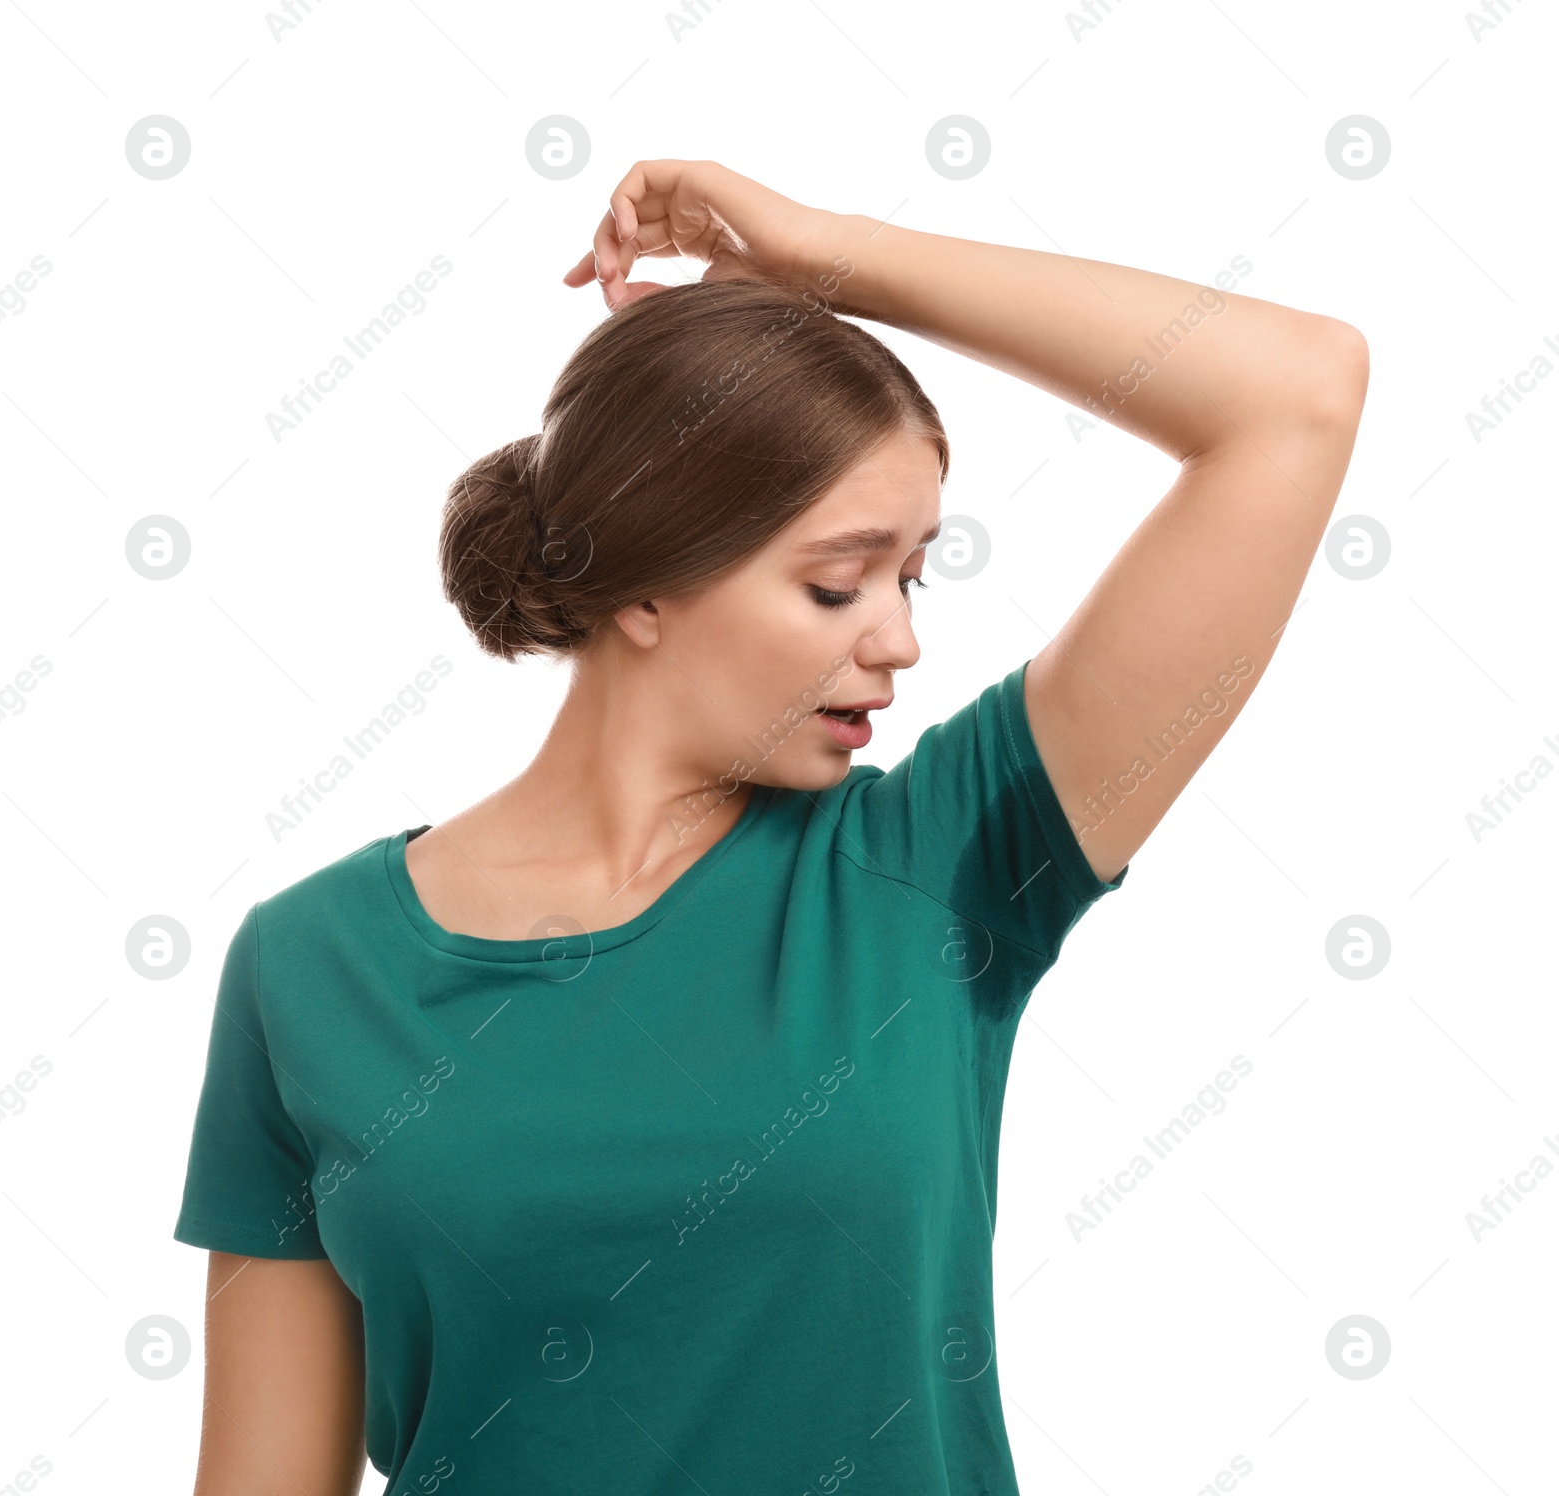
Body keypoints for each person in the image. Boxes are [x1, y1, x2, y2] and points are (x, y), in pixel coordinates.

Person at [174, 159, 1368, 1495]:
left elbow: (1296, 395)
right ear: (646, 586)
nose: (904, 642)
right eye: (840, 583)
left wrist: (826, 257)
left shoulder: (940, 870)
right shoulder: (308, 967)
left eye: (912, 578)